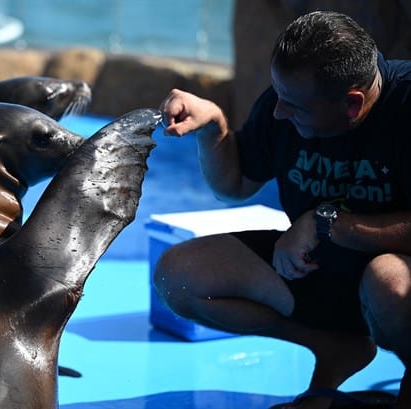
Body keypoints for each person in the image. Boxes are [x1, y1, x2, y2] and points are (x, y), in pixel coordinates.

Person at [155, 10, 411, 409]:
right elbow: (235, 185)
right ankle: (333, 347)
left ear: (352, 104)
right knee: (179, 277)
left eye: (292, 106)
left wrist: (326, 223)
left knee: (389, 281)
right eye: (279, 98)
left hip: (393, 285)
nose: (278, 113)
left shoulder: (406, 105)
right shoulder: (289, 97)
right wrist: (213, 128)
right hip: (317, 270)